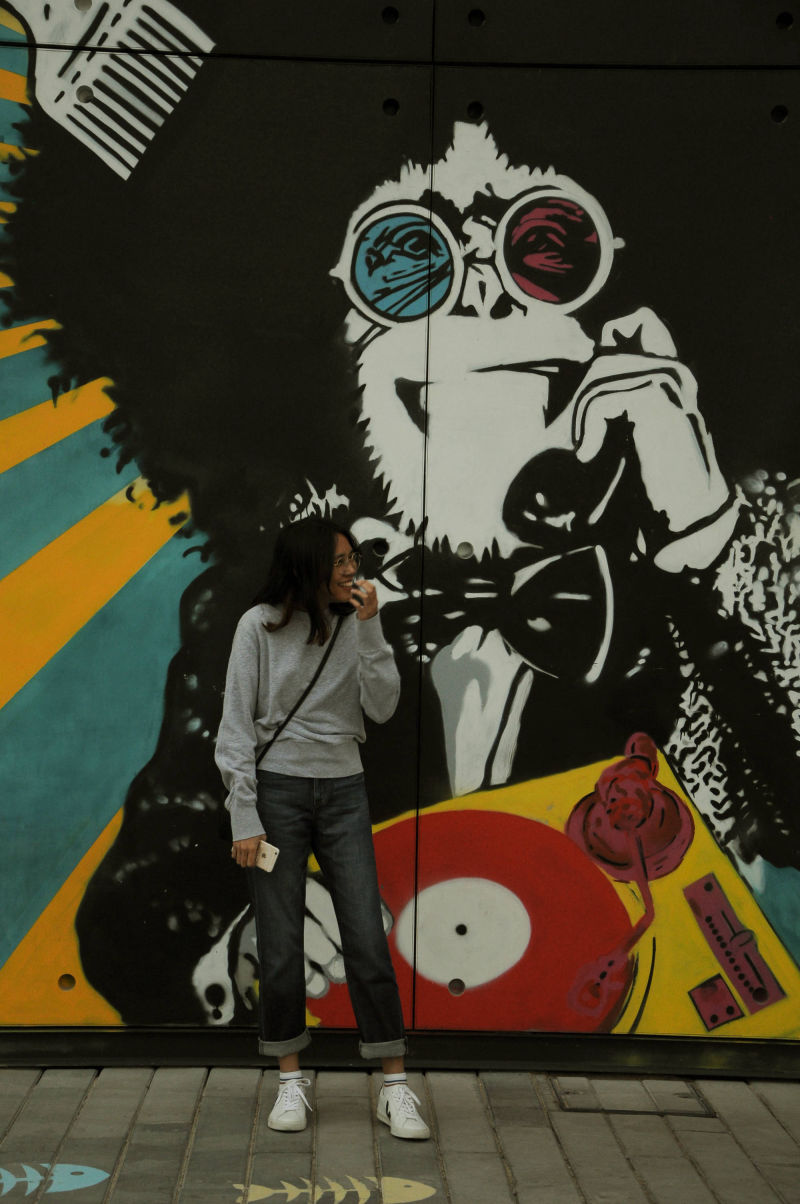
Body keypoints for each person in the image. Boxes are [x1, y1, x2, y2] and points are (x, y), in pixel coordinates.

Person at [214, 516, 429, 1138]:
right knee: (280, 944)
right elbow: (235, 728)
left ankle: (394, 1086)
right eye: (340, 561)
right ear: (307, 566)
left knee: (366, 935)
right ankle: (290, 1080)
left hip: (344, 791)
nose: (352, 570)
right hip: (276, 793)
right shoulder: (257, 627)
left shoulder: (357, 622)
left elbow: (383, 707)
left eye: (353, 559)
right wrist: (244, 814)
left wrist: (372, 628)